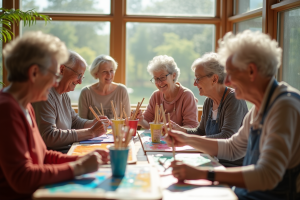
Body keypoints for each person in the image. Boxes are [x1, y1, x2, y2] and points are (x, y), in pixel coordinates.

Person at [165, 30, 300, 200]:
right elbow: (233, 148)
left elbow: (267, 176)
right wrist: (185, 138)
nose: (227, 82)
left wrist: (204, 173)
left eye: (230, 74)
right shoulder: (259, 108)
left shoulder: (284, 107)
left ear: (251, 71)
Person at [0, 31, 109, 200]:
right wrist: (78, 167)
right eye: (53, 74)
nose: (55, 82)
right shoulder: (6, 110)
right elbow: (22, 178)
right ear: (34, 72)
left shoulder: (25, 106)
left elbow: (43, 156)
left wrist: (79, 158)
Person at [169, 52, 248, 166]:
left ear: (214, 79)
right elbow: (201, 132)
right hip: (212, 159)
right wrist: (182, 130)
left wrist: (187, 139)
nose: (194, 84)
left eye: (198, 78)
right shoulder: (209, 102)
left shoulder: (234, 99)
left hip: (231, 165)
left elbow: (227, 137)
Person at [33, 51, 109, 153]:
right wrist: (91, 132)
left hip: (68, 151)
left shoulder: (64, 95)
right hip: (55, 156)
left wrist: (93, 123)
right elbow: (48, 136)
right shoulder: (44, 95)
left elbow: (74, 122)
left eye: (82, 77)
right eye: (79, 75)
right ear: (62, 69)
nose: (80, 81)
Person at [137, 55, 199, 129]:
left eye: (163, 77)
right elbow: (147, 122)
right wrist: (140, 120)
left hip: (179, 140)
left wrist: (175, 129)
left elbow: (192, 126)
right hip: (160, 139)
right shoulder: (156, 96)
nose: (159, 82)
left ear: (174, 75)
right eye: (156, 79)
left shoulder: (186, 96)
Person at [78, 55, 130, 120]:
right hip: (94, 130)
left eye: (111, 70)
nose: (109, 74)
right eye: (104, 71)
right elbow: (82, 122)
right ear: (96, 74)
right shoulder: (86, 92)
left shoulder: (122, 90)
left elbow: (127, 120)